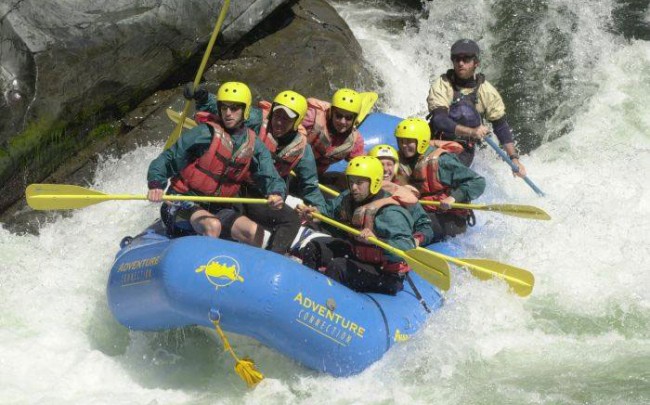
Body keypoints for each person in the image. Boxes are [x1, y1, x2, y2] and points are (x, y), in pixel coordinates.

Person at [147, 81, 286, 246]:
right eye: (224, 107)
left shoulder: (254, 144)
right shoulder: (204, 133)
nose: (228, 113)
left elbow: (270, 174)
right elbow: (168, 158)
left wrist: (276, 193)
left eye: (234, 108)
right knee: (212, 226)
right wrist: (156, 184)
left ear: (245, 110)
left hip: (217, 208)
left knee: (255, 233)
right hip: (181, 201)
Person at [297, 156, 416, 295]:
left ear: (375, 183)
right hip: (358, 255)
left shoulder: (391, 212)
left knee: (338, 267)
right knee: (314, 247)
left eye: (359, 183)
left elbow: (407, 249)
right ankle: (305, 294)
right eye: (351, 181)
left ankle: (327, 303)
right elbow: (329, 211)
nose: (353, 187)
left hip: (385, 273)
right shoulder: (348, 198)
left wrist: (378, 241)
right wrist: (315, 214)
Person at [241, 90, 327, 254]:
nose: (279, 123)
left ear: (297, 122)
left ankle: (273, 258)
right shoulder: (257, 120)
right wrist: (203, 98)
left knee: (291, 220)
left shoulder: (302, 150)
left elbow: (311, 185)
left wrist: (318, 209)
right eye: (277, 116)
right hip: (237, 184)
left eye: (286, 119)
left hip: (266, 196)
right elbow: (232, 109)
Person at [427, 38, 527, 176]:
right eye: (456, 59)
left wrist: (514, 159)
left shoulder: (487, 91)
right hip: (438, 141)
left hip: (463, 150)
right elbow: (439, 119)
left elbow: (501, 126)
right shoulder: (442, 84)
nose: (460, 63)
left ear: (476, 63)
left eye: (466, 59)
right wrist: (471, 132)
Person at [393, 118, 486, 242]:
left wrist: (453, 198)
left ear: (421, 141)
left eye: (409, 141)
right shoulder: (397, 161)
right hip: (422, 210)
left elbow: (478, 181)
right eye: (401, 141)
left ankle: (412, 244)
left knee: (409, 224)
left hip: (450, 217)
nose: (403, 145)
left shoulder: (442, 161)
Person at [367, 144, 435, 246]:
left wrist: (416, 240)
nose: (385, 169)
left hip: (395, 247)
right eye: (381, 165)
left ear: (395, 167)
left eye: (389, 164)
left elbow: (425, 226)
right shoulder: (360, 190)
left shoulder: (404, 194)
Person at [301, 88, 365, 186]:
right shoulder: (312, 116)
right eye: (338, 116)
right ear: (331, 112)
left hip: (314, 177)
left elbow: (358, 167)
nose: (342, 122)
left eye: (348, 118)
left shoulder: (355, 141)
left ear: (354, 119)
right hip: (291, 165)